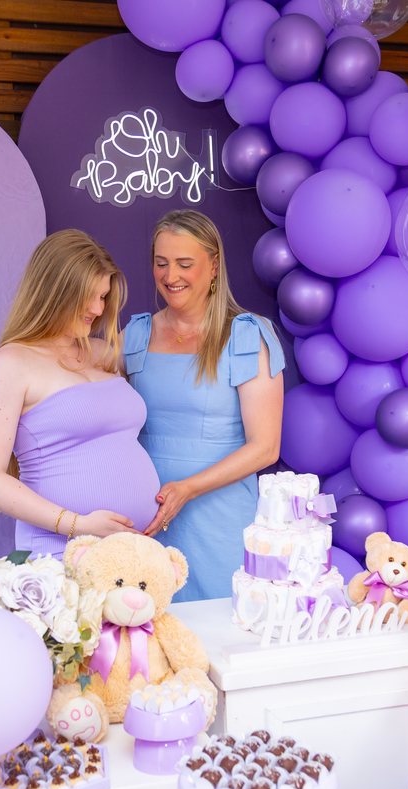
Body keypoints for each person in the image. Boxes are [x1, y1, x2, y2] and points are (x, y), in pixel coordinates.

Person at [123, 210, 285, 601]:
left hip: (219, 520)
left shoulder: (246, 335)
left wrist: (188, 489)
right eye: (161, 263)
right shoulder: (135, 334)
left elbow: (266, 447)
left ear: (213, 266)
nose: (170, 276)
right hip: (146, 517)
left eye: (184, 264)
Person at [0, 230, 159, 555]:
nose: (97, 309)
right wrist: (78, 524)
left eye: (103, 296)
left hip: (131, 554)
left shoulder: (103, 353)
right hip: (59, 553)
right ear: (56, 291)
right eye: (89, 296)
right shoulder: (11, 364)